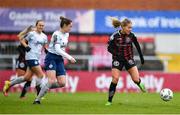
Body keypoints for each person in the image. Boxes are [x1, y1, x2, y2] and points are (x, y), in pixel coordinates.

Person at [33, 16, 76, 104]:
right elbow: (57, 49)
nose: (71, 28)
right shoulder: (56, 34)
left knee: (62, 83)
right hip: (51, 57)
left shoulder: (67, 34)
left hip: (59, 59)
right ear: (64, 25)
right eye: (70, 26)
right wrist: (69, 57)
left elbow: (62, 49)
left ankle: (42, 86)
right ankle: (37, 99)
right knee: (51, 81)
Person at [105, 17, 146, 106]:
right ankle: (109, 101)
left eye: (131, 27)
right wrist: (116, 54)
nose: (130, 29)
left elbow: (137, 45)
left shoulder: (132, 35)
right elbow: (109, 48)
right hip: (117, 60)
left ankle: (139, 83)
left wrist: (141, 57)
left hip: (129, 59)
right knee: (115, 79)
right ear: (123, 27)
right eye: (129, 27)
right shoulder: (115, 36)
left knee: (135, 79)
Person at [3, 20, 48, 97]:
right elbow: (22, 41)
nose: (41, 27)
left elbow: (45, 46)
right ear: (36, 25)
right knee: (40, 75)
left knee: (26, 77)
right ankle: (39, 94)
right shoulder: (31, 34)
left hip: (37, 58)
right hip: (30, 57)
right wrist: (26, 46)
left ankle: (9, 83)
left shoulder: (44, 36)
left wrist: (47, 51)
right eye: (39, 25)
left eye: (42, 25)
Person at [15, 25, 41, 98]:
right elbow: (19, 47)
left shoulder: (35, 38)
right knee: (23, 78)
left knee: (30, 79)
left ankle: (23, 96)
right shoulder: (26, 38)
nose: (34, 31)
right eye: (32, 30)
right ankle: (9, 84)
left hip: (30, 60)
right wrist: (26, 53)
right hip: (22, 61)